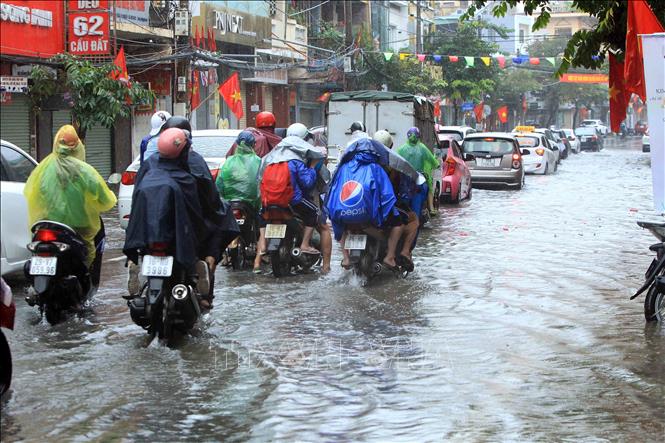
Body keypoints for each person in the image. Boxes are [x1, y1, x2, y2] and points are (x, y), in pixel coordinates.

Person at [128, 116, 239, 305]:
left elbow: (136, 199)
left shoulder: (149, 165)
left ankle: (134, 263)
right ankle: (206, 269)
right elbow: (209, 202)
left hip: (149, 230)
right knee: (220, 222)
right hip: (183, 230)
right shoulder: (191, 167)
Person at [124, 128, 212, 301]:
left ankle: (135, 262)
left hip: (146, 237)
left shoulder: (147, 171)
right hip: (176, 239)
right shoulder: (186, 179)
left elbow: (136, 206)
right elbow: (195, 214)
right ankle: (198, 269)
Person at [23, 125, 116, 277]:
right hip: (78, 226)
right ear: (78, 146)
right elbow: (106, 200)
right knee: (88, 254)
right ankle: (86, 277)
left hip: (46, 223)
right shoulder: (84, 171)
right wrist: (110, 196)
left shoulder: (43, 169)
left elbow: (31, 192)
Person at [215, 131, 264, 273]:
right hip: (251, 204)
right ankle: (262, 253)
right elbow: (262, 184)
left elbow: (219, 184)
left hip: (230, 203)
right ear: (253, 145)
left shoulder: (228, 162)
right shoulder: (258, 161)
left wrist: (222, 199)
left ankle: (225, 255)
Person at [374, 130, 418, 271]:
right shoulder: (393, 164)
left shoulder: (363, 161)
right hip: (386, 205)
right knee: (414, 220)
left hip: (365, 205)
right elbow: (403, 189)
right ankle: (403, 252)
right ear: (391, 145)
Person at [397, 127, 439, 218]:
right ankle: (430, 209)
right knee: (426, 189)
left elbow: (396, 163)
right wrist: (437, 164)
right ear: (419, 136)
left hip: (404, 181)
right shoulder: (422, 148)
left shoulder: (401, 149)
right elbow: (433, 161)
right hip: (418, 180)